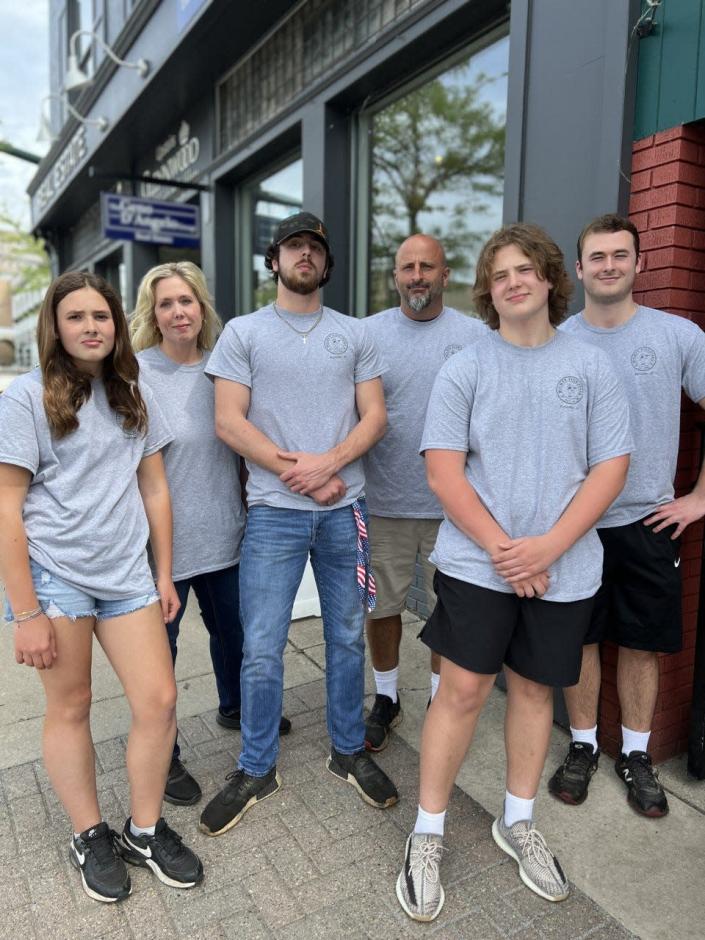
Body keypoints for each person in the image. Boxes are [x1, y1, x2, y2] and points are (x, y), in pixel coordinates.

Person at [396, 223, 632, 921]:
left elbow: (610, 467)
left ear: (551, 280)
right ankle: (427, 831)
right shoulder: (466, 367)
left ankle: (517, 819)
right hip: (477, 563)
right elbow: (442, 472)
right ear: (488, 290)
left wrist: (547, 548)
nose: (513, 282)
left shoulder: (589, 367)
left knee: (534, 692)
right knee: (461, 691)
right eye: (500, 274)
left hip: (563, 567)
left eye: (525, 269)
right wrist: (508, 550)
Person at [0, 272, 203, 904]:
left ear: (117, 324)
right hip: (57, 579)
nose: (92, 326)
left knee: (160, 699)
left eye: (102, 316)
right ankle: (90, 833)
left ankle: (143, 829)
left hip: (127, 576)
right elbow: (7, 507)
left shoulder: (131, 390)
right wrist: (25, 610)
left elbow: (155, 488)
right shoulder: (26, 398)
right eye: (77, 316)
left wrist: (163, 573)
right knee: (72, 706)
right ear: (55, 328)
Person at [199, 211, 399, 837]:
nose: (304, 255)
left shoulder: (356, 334)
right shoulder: (243, 332)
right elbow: (229, 421)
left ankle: (347, 750)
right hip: (274, 517)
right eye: (293, 247)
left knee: (345, 638)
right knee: (260, 647)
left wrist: (331, 465)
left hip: (346, 514)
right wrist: (304, 473)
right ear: (275, 259)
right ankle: (256, 766)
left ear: (326, 261)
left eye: (315, 246)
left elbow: (374, 418)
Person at [548, 214, 705, 817]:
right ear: (579, 268)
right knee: (580, 638)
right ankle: (584, 746)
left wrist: (697, 499)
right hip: (574, 525)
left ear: (639, 264)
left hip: (648, 521)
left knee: (641, 644)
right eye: (597, 256)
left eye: (621, 255)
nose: (609, 265)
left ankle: (636, 755)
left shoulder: (676, 336)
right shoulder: (558, 340)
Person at [130, 261, 291, 807]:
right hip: (161, 552)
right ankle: (166, 755)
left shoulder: (225, 367)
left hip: (226, 535)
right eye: (167, 303)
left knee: (235, 638)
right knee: (160, 658)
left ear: (203, 308)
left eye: (187, 301)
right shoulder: (134, 373)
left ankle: (237, 709)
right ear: (153, 313)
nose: (179, 312)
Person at [363, 234, 486, 750]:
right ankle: (386, 697)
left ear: (445, 275)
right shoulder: (365, 335)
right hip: (381, 501)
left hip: (454, 507)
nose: (417, 275)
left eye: (427, 267)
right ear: (395, 276)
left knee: (448, 611)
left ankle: (439, 698)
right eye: (407, 267)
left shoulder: (478, 335)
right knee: (381, 607)